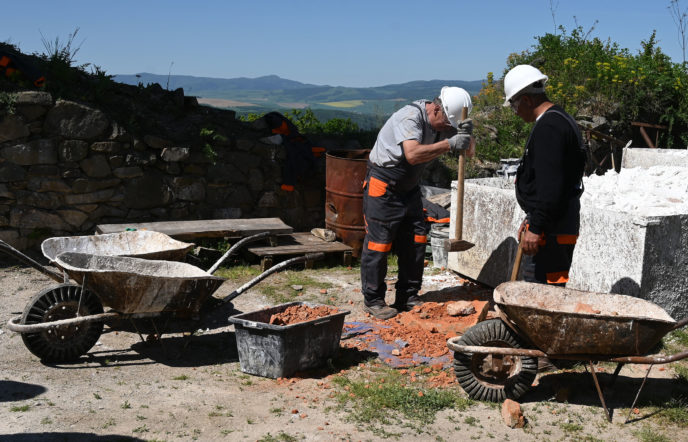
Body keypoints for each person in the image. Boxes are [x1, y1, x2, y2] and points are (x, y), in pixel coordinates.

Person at [360, 87, 475, 319]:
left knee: (416, 239)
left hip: (409, 188)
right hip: (384, 185)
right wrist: (450, 144)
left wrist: (468, 137)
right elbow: (412, 154)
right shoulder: (410, 117)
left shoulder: (446, 122)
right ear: (435, 108)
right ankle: (373, 300)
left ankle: (408, 296)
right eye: (445, 123)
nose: (446, 129)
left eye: (451, 126)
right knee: (379, 244)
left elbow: (470, 153)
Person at [504, 65, 586, 286]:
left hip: (552, 230)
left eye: (514, 104)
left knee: (542, 295)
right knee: (543, 291)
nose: (515, 111)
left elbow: (550, 185)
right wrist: (532, 220)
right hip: (553, 224)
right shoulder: (559, 119)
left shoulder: (549, 127)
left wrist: (536, 226)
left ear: (527, 100)